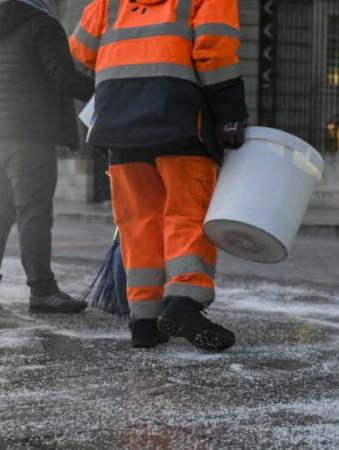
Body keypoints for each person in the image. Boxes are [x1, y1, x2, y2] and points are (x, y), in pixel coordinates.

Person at [69, 0, 248, 349]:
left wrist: (116, 88)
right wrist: (231, 111)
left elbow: (78, 54)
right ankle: (183, 303)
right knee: (188, 212)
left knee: (138, 222)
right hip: (179, 119)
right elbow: (214, 51)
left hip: (118, 125)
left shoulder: (107, 3)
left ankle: (144, 321)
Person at [0, 0, 95, 312]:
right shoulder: (44, 25)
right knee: (33, 212)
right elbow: (62, 76)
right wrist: (105, 92)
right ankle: (42, 290)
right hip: (28, 132)